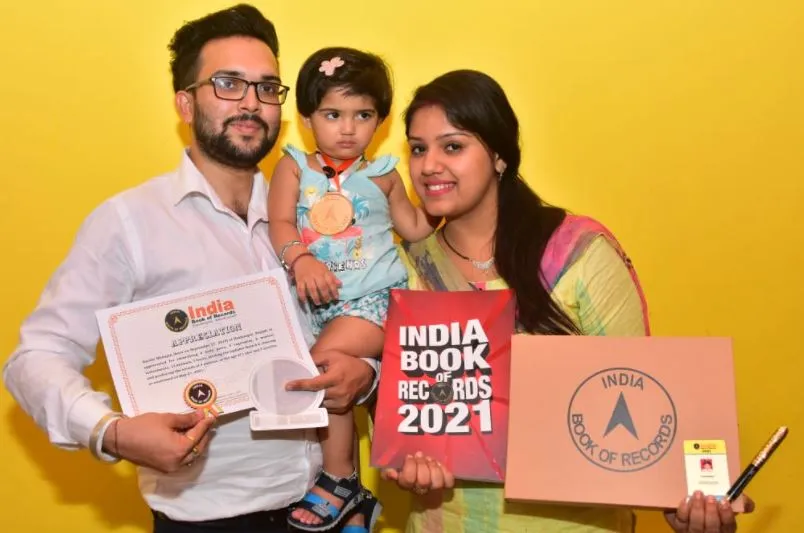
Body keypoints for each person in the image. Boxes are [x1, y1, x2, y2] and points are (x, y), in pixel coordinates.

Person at [2, 5, 379, 533]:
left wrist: (364, 378)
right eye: (229, 83)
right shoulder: (129, 223)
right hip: (208, 520)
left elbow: (364, 316)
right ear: (185, 101)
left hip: (326, 508)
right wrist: (111, 432)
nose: (252, 103)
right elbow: (35, 357)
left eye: (268, 88)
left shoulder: (318, 217)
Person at [380, 69, 755, 533]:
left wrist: (683, 501)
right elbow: (405, 414)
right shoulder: (403, 268)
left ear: (499, 155)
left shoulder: (576, 251)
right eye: (418, 148)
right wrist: (404, 463)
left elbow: (642, 396)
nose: (429, 164)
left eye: (452, 146)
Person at [267, 46, 437, 531]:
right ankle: (357, 502)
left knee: (324, 370)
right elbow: (278, 222)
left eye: (362, 115)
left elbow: (416, 227)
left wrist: (450, 190)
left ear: (379, 121)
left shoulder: (383, 176)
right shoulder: (294, 166)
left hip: (374, 301)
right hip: (315, 306)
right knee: (334, 387)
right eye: (333, 114)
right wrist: (300, 258)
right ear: (306, 117)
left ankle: (339, 477)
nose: (347, 128)